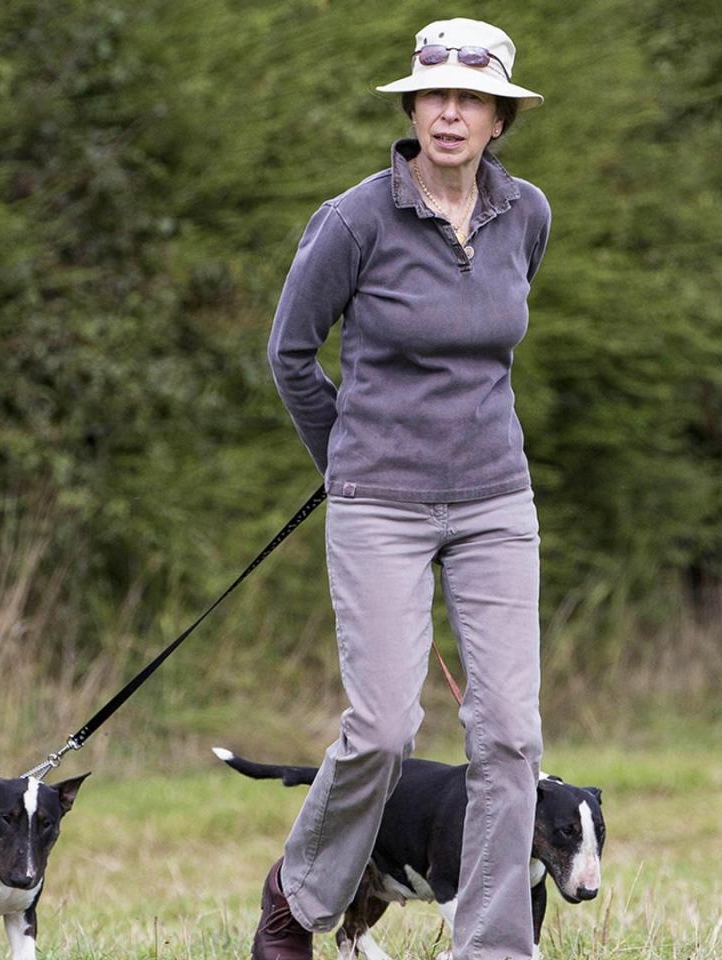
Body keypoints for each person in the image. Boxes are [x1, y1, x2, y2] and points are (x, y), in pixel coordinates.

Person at [255, 17, 550, 960]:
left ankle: (493, 947)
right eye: (435, 95)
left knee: (508, 737)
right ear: (412, 106)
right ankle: (297, 898)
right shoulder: (354, 221)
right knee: (384, 730)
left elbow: (493, 347)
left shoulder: (526, 215)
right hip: (379, 501)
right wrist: (343, 460)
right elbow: (290, 354)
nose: (451, 112)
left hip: (497, 501)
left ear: (501, 116)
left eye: (472, 97)